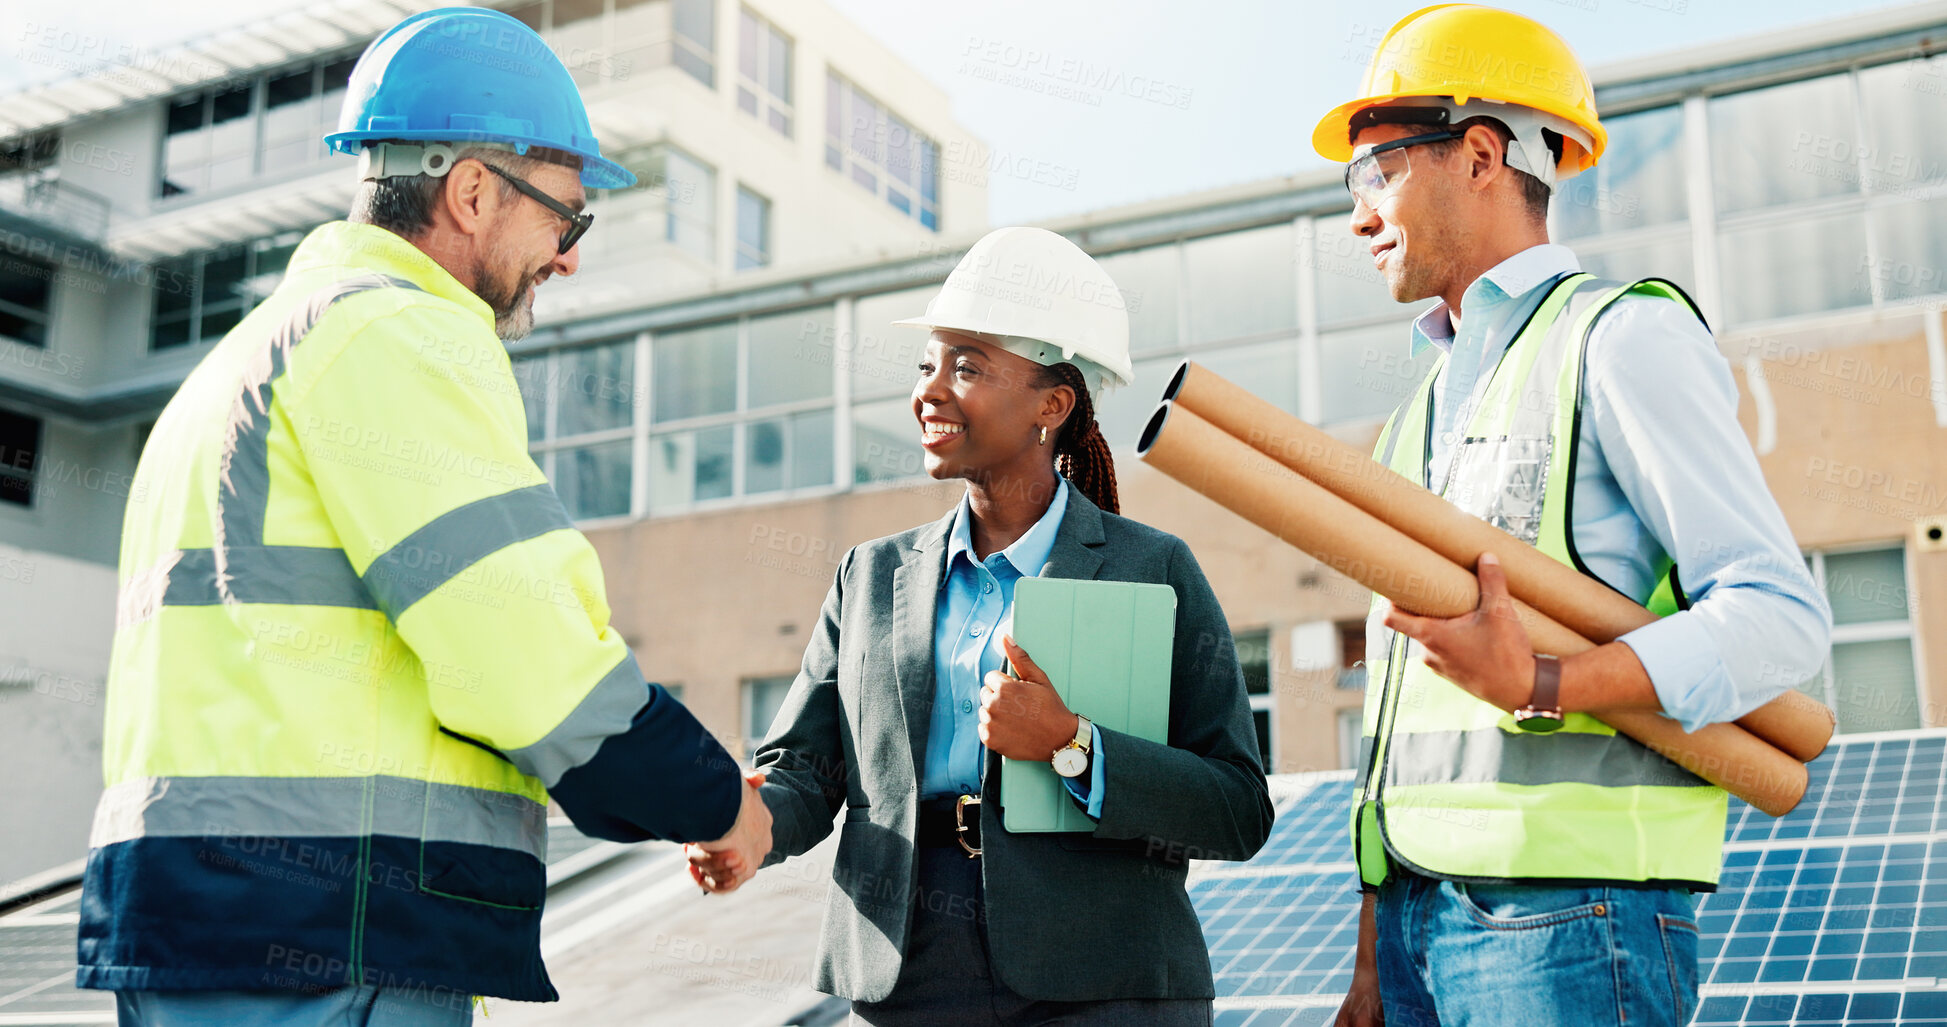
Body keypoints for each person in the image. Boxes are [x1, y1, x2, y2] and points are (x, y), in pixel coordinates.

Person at [78, 9, 770, 1025]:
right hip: (333, 939)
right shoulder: (398, 334)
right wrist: (718, 802)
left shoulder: (236, 363)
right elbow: (524, 654)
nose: (569, 258)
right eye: (566, 219)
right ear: (475, 191)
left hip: (193, 935)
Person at [1312, 6, 1832, 1026]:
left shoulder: (1620, 337)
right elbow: (1397, 721)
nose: (1360, 214)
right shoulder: (1414, 416)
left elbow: (1780, 617)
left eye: (1378, 171)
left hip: (1573, 925)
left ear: (1479, 154)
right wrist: (1377, 949)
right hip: (1419, 923)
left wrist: (1549, 682)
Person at [687, 227, 1273, 1024]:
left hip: (1102, 973)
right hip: (909, 967)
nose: (930, 389)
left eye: (967, 366)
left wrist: (1074, 745)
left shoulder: (1151, 568)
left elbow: (1236, 808)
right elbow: (806, 771)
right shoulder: (872, 577)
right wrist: (752, 826)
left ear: (1052, 404)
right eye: (926, 364)